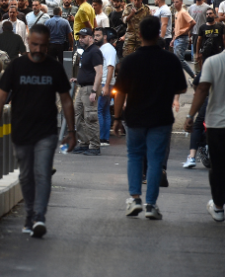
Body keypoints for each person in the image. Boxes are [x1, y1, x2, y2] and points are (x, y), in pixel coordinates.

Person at [0, 23, 74, 238]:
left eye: (42, 46)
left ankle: (39, 217)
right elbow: (0, 96)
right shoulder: (17, 66)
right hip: (21, 131)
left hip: (47, 132)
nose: (38, 50)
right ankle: (29, 214)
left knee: (43, 173)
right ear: (28, 42)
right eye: (34, 45)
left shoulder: (54, 68)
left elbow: (66, 100)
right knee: (26, 176)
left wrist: (72, 131)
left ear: (48, 46)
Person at [114, 16, 187, 220]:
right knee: (155, 161)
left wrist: (117, 117)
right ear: (158, 34)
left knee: (135, 156)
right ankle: (151, 204)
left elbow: (120, 92)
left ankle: (135, 198)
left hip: (135, 117)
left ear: (139, 35)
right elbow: (181, 87)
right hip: (161, 117)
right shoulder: (170, 60)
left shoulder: (129, 61)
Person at [186, 39, 225, 222]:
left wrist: (190, 116)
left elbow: (201, 89)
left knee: (217, 167)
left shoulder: (213, 62)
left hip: (217, 124)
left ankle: (218, 207)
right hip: (216, 123)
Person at [71, 28, 103, 156]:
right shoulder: (86, 52)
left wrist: (94, 91)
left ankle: (94, 146)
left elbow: (99, 73)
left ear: (91, 38)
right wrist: (78, 79)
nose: (81, 39)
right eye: (80, 37)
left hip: (90, 88)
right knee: (78, 115)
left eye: (84, 37)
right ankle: (84, 142)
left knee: (90, 117)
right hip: (82, 87)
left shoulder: (95, 52)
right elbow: (87, 71)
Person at [95, 28, 117, 147]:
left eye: (98, 35)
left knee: (99, 110)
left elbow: (110, 67)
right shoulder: (104, 48)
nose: (95, 38)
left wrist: (106, 86)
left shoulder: (108, 49)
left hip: (104, 83)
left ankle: (101, 138)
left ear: (104, 36)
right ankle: (104, 139)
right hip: (104, 83)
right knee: (105, 110)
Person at [171, 0, 196, 78]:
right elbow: (177, 29)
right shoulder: (177, 13)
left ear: (181, 3)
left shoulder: (183, 12)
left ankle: (193, 75)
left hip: (182, 38)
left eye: (177, 2)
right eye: (174, 2)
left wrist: (186, 30)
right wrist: (173, 39)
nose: (175, 4)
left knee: (180, 60)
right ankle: (176, 77)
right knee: (176, 60)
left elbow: (193, 22)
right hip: (178, 38)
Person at [188, 0, 209, 69]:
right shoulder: (191, 8)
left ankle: (205, 71)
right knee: (196, 56)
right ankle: (198, 73)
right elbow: (189, 22)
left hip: (205, 34)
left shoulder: (207, 7)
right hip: (195, 34)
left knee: (203, 54)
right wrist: (189, 34)